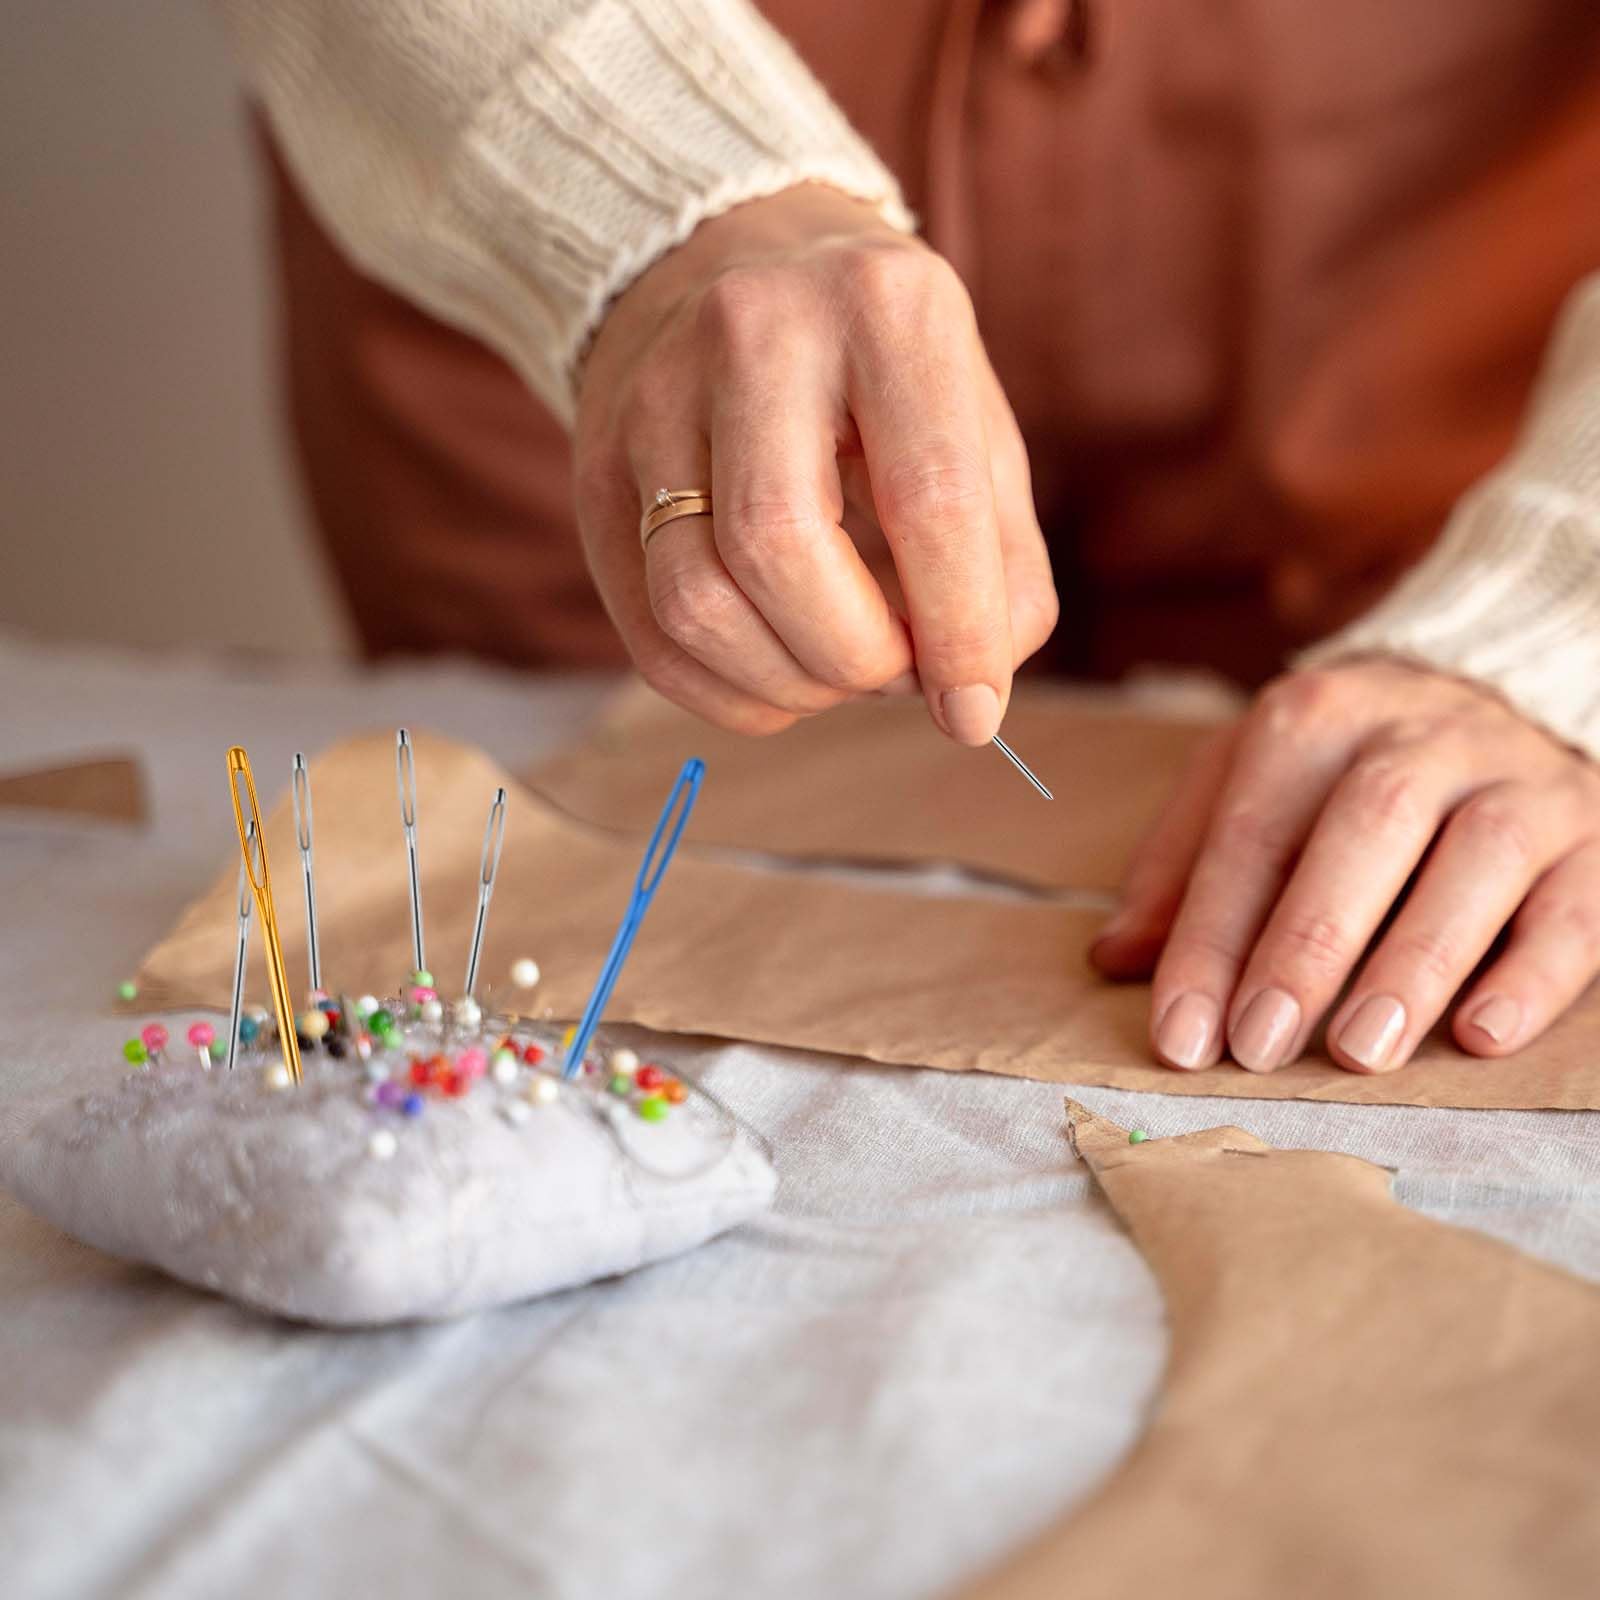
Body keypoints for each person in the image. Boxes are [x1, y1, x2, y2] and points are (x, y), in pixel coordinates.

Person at [215, 1, 1600, 1077]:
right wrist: (644, 214)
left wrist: (1554, 611)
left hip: (1419, 265)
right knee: (549, 867)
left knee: (1406, 850)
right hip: (565, 227)